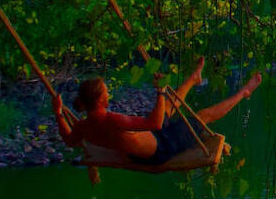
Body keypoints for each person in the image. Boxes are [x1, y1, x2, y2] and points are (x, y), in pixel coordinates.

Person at [53, 56, 260, 165]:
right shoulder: (112, 120)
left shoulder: (84, 126)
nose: (109, 95)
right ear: (99, 100)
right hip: (161, 149)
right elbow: (155, 123)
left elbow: (69, 140)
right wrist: (160, 91)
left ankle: (193, 78)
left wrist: (59, 114)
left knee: (169, 105)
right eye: (106, 92)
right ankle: (243, 93)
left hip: (148, 142)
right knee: (203, 116)